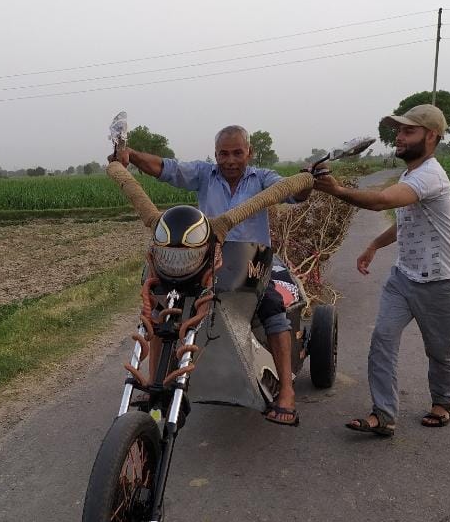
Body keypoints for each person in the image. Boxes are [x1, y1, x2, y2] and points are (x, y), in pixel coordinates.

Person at [113, 125, 314, 426]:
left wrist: (306, 179)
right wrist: (129, 156)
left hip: (252, 263)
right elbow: (166, 169)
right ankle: (160, 385)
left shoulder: (264, 178)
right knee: (164, 310)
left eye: (237, 153)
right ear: (216, 154)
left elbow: (295, 192)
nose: (230, 160)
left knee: (273, 309)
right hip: (204, 260)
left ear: (249, 153)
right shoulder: (204, 174)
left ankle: (286, 391)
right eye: (223, 153)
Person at [313, 104, 450, 437]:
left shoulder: (430, 175)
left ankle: (444, 401)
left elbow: (381, 201)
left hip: (440, 280)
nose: (399, 136)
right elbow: (405, 221)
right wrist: (373, 246)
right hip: (403, 277)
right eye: (399, 130)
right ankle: (383, 415)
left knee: (439, 349)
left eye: (408, 131)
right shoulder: (411, 175)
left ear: (431, 136)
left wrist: (338, 191)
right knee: (382, 340)